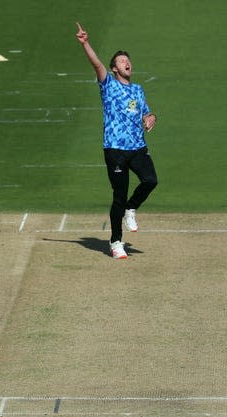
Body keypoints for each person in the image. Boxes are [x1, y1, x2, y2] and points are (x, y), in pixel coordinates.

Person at [75, 23, 158, 259]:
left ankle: (131, 209)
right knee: (118, 196)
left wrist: (151, 118)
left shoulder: (138, 90)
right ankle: (116, 242)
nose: (126, 63)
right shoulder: (108, 84)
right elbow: (97, 64)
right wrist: (85, 43)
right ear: (114, 69)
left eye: (127, 60)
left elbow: (147, 113)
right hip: (115, 149)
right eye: (121, 61)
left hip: (138, 147)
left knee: (150, 180)